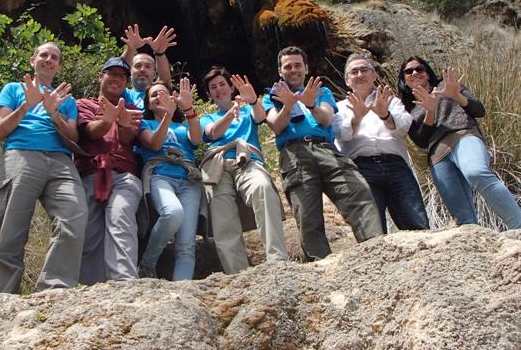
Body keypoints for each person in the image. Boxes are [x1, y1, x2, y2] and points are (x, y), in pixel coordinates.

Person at [263, 46, 383, 261]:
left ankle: (376, 251)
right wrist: (288, 106)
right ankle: (320, 266)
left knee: (359, 192)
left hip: (325, 148)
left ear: (306, 68)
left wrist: (310, 105)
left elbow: (326, 119)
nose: (293, 70)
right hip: (294, 154)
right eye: (287, 66)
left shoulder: (322, 91)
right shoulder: (271, 96)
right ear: (280, 71)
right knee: (307, 215)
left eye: (297, 65)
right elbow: (276, 126)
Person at [0, 42, 88, 293]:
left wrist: (54, 113)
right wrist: (26, 105)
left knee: (75, 217)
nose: (49, 59)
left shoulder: (66, 99)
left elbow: (73, 137)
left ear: (59, 66)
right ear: (33, 61)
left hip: (60, 159)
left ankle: (53, 290)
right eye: (44, 55)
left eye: (54, 57)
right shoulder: (13, 89)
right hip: (21, 154)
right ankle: (4, 296)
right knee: (12, 229)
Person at [398, 56, 521, 229]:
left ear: (427, 73)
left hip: (464, 136)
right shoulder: (406, 108)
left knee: (476, 172)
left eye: (419, 69)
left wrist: (456, 95)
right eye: (408, 71)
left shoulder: (447, 86)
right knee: (464, 218)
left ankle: (518, 227)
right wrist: (430, 112)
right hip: (437, 157)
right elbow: (420, 141)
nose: (415, 73)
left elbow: (479, 110)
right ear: (404, 79)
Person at [200, 67, 288, 273]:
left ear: (232, 88)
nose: (218, 89)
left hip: (248, 159)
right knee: (222, 215)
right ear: (209, 94)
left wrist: (253, 101)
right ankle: (236, 272)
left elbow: (260, 118)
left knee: (263, 188)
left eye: (222, 84)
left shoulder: (248, 110)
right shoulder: (208, 117)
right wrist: (230, 115)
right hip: (218, 164)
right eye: (213, 87)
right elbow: (212, 134)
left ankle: (278, 261)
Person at [335, 54, 429, 233]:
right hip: (360, 169)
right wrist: (357, 118)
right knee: (372, 232)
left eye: (365, 70)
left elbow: (404, 126)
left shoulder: (391, 101)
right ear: (347, 80)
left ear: (374, 76)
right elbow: (340, 134)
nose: (360, 74)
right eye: (354, 72)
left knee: (417, 225)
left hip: (396, 166)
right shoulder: (338, 107)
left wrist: (385, 114)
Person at [76, 57, 144, 284]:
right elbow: (90, 133)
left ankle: (125, 284)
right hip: (91, 172)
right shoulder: (83, 104)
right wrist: (108, 119)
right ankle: (91, 289)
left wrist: (123, 123)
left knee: (121, 218)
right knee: (89, 235)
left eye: (122, 76)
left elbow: (128, 138)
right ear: (100, 76)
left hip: (124, 175)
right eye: (112, 74)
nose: (116, 79)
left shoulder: (132, 109)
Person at [137, 78, 201, 280]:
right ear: (148, 104)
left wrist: (188, 107)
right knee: (172, 213)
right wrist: (167, 116)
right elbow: (154, 144)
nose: (158, 97)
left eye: (162, 92)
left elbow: (197, 140)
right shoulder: (144, 123)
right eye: (153, 95)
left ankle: (183, 290)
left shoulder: (182, 127)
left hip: (189, 179)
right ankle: (147, 264)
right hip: (160, 174)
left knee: (186, 243)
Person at [120, 24, 176, 110]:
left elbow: (165, 80)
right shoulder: (123, 93)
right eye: (138, 66)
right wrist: (131, 48)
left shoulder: (158, 94)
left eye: (148, 67)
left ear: (154, 74)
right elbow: (119, 70)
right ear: (130, 71)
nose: (142, 70)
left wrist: (159, 53)